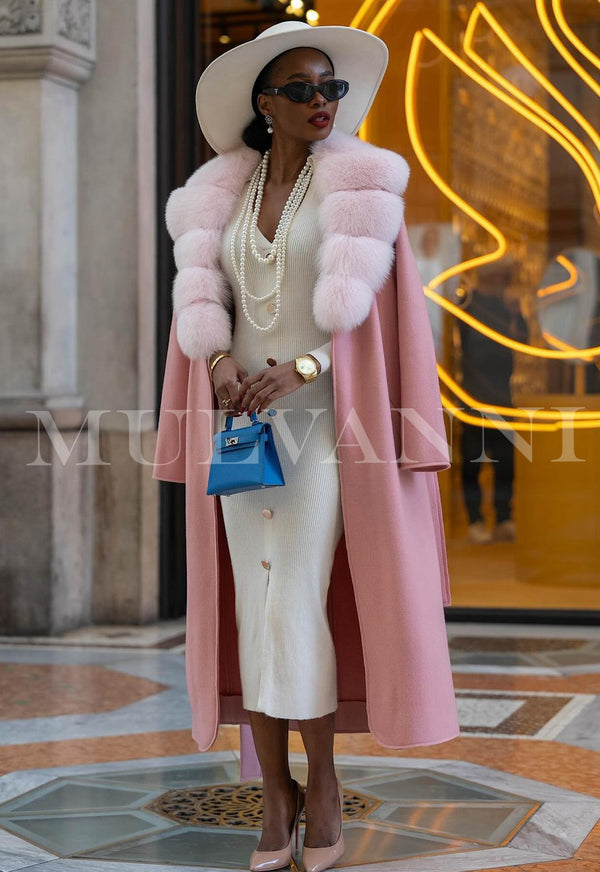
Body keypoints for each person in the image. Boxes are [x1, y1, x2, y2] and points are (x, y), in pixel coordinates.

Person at [154, 21, 458, 872]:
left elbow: (388, 328)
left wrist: (305, 368)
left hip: (330, 430)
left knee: (296, 600)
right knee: (253, 605)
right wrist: (215, 363)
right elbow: (203, 308)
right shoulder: (215, 199)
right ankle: (274, 792)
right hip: (241, 434)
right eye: (302, 90)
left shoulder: (362, 193)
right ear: (265, 105)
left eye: (332, 88)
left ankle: (318, 785)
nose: (323, 102)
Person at [457, 262, 529, 543]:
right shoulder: (469, 304)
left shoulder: (505, 306)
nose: (500, 282)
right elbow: (463, 340)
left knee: (504, 464)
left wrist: (516, 313)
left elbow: (522, 340)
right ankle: (476, 519)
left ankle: (502, 517)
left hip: (501, 397)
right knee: (474, 463)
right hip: (475, 396)